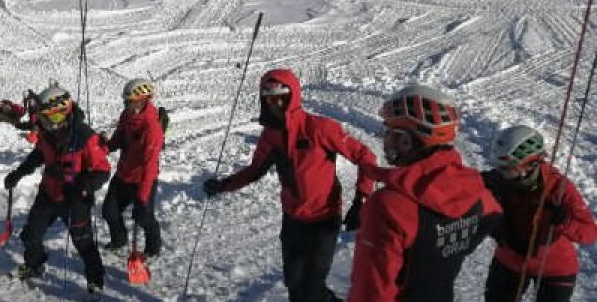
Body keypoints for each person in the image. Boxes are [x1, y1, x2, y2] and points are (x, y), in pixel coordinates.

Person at [204, 69, 376, 302]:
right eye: (269, 99)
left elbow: (365, 157)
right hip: (293, 219)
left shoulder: (319, 128)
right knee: (295, 286)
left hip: (324, 220)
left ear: (292, 96)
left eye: (280, 98)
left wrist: (361, 199)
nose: (275, 104)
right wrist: (222, 185)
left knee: (312, 290)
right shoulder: (270, 136)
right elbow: (254, 171)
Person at [348, 83, 502, 302]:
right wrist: (449, 250)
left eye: (389, 132)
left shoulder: (388, 206)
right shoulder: (474, 190)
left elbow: (371, 292)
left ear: (406, 141)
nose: (385, 138)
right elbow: (492, 214)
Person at [3, 85, 110, 295]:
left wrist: (84, 188)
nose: (41, 122)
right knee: (30, 235)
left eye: (44, 117)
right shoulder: (47, 133)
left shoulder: (85, 136)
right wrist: (18, 173)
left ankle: (95, 280)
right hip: (49, 194)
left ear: (58, 114)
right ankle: (34, 264)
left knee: (83, 243)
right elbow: (38, 155)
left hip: (75, 199)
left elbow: (102, 170)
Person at [481, 125, 596, 302]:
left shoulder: (559, 187)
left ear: (529, 164)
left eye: (507, 168)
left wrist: (565, 222)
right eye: (499, 166)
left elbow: (590, 232)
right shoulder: (496, 180)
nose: (500, 172)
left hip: (555, 268)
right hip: (510, 260)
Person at [101, 78, 165, 257]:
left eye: (130, 101)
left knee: (144, 216)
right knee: (109, 211)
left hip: (143, 180)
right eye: (126, 101)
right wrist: (104, 148)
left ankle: (153, 249)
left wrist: (142, 198)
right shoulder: (127, 115)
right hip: (123, 175)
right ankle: (119, 240)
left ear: (143, 101)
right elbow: (118, 138)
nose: (126, 104)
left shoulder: (152, 128)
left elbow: (150, 166)